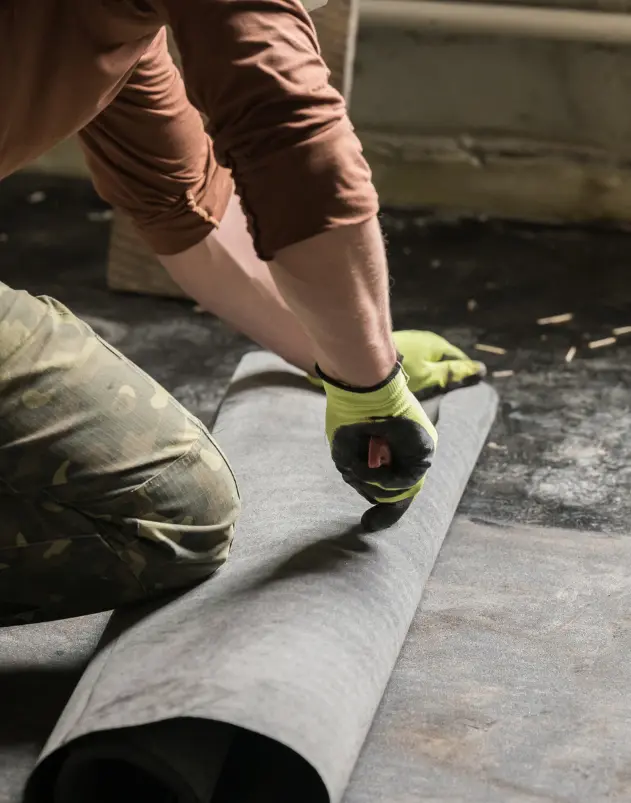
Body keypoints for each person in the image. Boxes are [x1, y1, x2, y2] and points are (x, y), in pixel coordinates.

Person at [0, 0, 484, 626]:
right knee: (171, 513)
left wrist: (337, 353)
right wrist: (368, 382)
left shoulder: (111, 29)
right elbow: (297, 152)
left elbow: (181, 205)